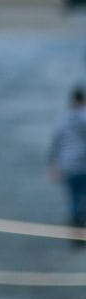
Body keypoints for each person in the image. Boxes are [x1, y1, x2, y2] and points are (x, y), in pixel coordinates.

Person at [48, 87, 86, 247]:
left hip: (68, 166)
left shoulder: (63, 119)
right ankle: (80, 233)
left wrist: (53, 166)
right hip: (83, 165)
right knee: (82, 199)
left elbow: (56, 144)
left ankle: (75, 236)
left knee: (73, 200)